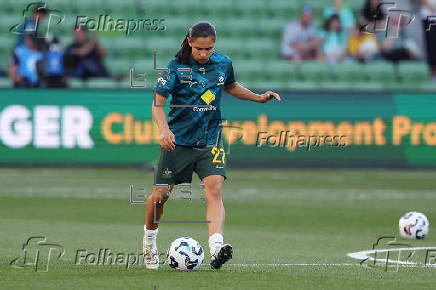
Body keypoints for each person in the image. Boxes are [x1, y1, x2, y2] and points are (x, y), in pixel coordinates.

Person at [143, 21, 281, 270]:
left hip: (210, 138)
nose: (205, 54)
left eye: (209, 48)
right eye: (199, 49)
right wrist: (164, 130)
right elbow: (157, 104)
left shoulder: (223, 63)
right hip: (179, 141)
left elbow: (230, 86)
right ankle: (149, 242)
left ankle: (217, 246)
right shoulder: (175, 68)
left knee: (214, 189)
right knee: (159, 197)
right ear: (189, 43)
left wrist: (258, 98)